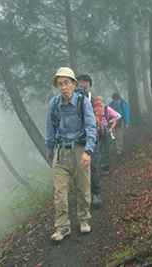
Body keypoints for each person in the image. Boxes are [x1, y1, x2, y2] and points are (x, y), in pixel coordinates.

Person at [45, 67, 97, 242]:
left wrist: (88, 151)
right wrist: (49, 149)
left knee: (83, 188)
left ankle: (84, 218)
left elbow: (91, 128)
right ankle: (62, 227)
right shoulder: (54, 104)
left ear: (74, 84)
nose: (63, 87)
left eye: (67, 82)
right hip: (60, 152)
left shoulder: (83, 102)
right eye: (60, 84)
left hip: (80, 150)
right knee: (59, 191)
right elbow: (50, 129)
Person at [76, 74, 103, 206]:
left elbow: (97, 118)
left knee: (92, 167)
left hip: (93, 138)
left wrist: (86, 124)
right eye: (80, 86)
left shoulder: (95, 100)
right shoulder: (73, 100)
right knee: (80, 169)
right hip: (78, 140)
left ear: (89, 86)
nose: (83, 89)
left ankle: (96, 193)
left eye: (85, 86)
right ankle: (84, 196)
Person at [98, 96, 121, 172]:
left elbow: (118, 116)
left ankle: (106, 167)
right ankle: (103, 165)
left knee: (105, 150)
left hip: (105, 131)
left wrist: (110, 121)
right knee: (102, 149)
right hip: (99, 131)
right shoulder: (97, 109)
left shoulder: (106, 109)